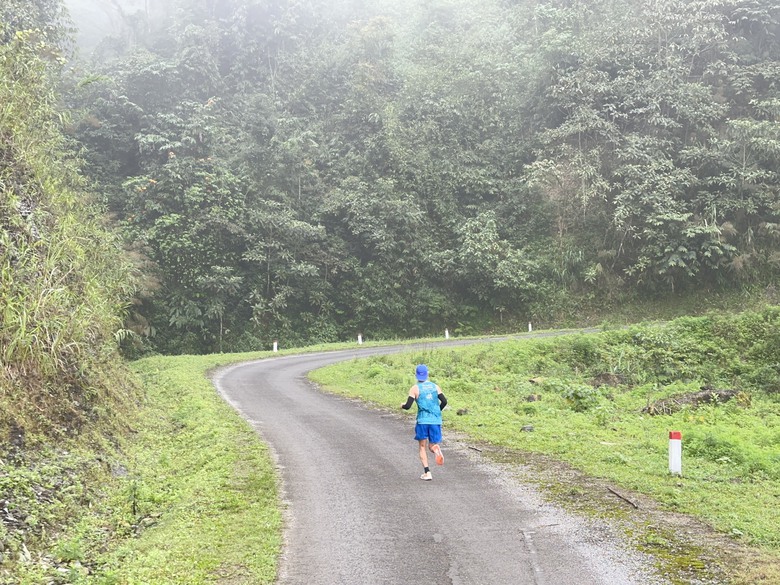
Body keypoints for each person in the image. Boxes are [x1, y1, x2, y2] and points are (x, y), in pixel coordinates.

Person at [400, 364, 448, 480]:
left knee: (422, 447)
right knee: (432, 445)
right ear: (427, 374)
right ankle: (435, 449)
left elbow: (408, 406)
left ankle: (427, 472)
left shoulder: (415, 388)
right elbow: (444, 401)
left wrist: (402, 406)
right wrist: (437, 411)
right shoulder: (435, 387)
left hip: (422, 420)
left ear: (416, 374)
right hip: (435, 420)